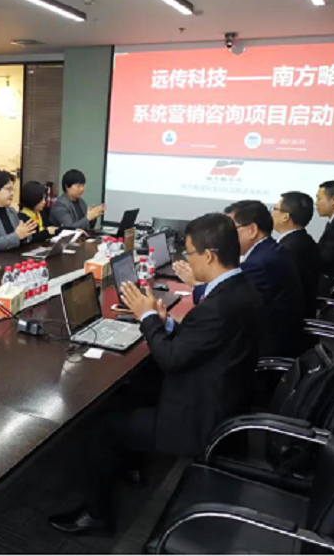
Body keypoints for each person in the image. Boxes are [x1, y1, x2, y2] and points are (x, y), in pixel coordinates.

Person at [48, 213, 263, 535]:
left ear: (208, 255)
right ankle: (128, 465)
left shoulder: (219, 305)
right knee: (131, 391)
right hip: (220, 394)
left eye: (190, 252)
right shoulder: (240, 288)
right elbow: (203, 341)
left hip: (199, 417)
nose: (187, 259)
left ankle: (97, 514)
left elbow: (171, 360)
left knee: (97, 426)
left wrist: (148, 317)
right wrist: (166, 324)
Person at [175, 200, 304, 360]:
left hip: (266, 348)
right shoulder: (268, 250)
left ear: (252, 230)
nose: (224, 236)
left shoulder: (259, 264)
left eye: (231, 230)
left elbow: (225, 302)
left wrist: (196, 284)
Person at [272, 191, 321, 319]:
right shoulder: (302, 239)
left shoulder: (288, 249)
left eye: (275, 209)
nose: (271, 213)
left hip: (288, 321)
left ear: (285, 217)